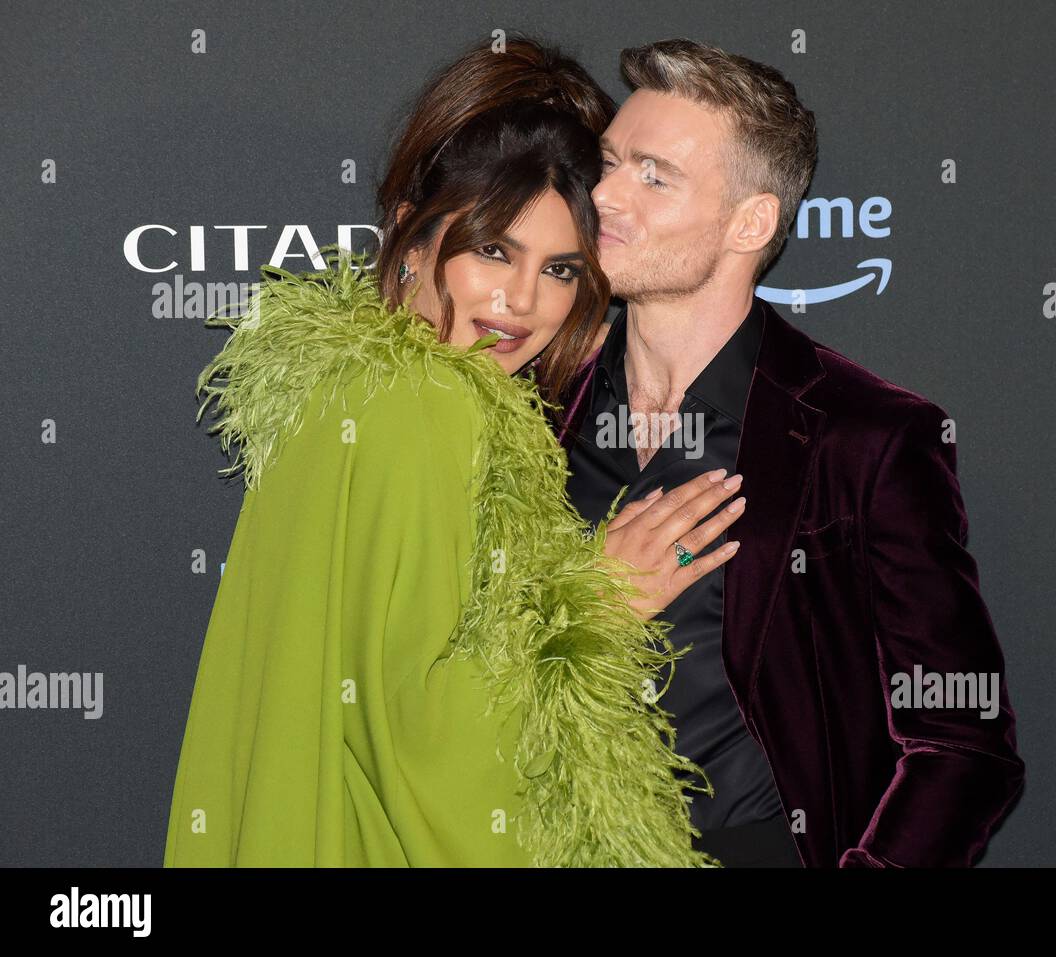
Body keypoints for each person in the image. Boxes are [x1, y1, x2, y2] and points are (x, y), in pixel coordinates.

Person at [163, 36, 747, 868]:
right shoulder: (430, 407)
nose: (522, 301)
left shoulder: (342, 390)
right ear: (410, 236)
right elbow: (420, 739)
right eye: (494, 250)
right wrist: (603, 605)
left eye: (561, 270)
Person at [553, 38, 1026, 867]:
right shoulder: (533, 411)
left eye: (654, 175)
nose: (605, 196)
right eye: (609, 162)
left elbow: (963, 741)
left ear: (751, 222)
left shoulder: (865, 437)